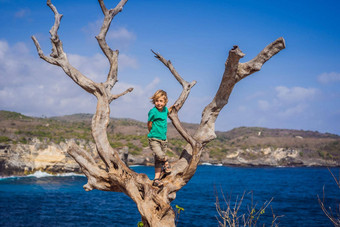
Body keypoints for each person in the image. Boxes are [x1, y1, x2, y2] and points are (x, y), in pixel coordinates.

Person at [147, 89, 172, 187]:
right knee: (161, 156)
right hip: (154, 139)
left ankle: (156, 179)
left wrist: (173, 107)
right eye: (157, 101)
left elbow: (168, 111)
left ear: (165, 102)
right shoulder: (153, 111)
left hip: (163, 140)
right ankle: (166, 163)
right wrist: (152, 132)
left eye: (161, 101)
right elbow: (149, 124)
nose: (159, 103)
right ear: (154, 101)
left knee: (158, 160)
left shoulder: (165, 110)